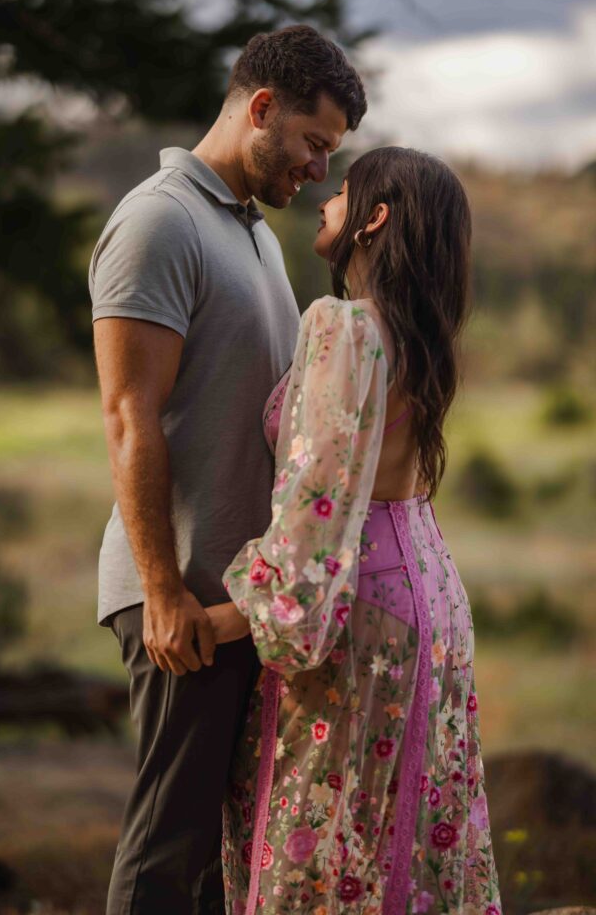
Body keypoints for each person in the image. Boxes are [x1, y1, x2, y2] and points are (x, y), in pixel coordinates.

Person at [88, 25, 367, 914]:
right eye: (313, 143)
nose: (319, 170)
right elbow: (129, 415)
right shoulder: (158, 220)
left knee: (219, 855)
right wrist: (165, 591)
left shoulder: (253, 237)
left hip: (238, 604)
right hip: (182, 600)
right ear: (260, 109)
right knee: (167, 850)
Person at [213, 147, 502, 915]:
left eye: (342, 193)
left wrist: (225, 621)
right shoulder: (422, 334)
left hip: (358, 609)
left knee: (324, 830)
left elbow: (318, 509)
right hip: (430, 597)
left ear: (373, 219)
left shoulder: (345, 328)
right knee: (399, 831)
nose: (324, 200)